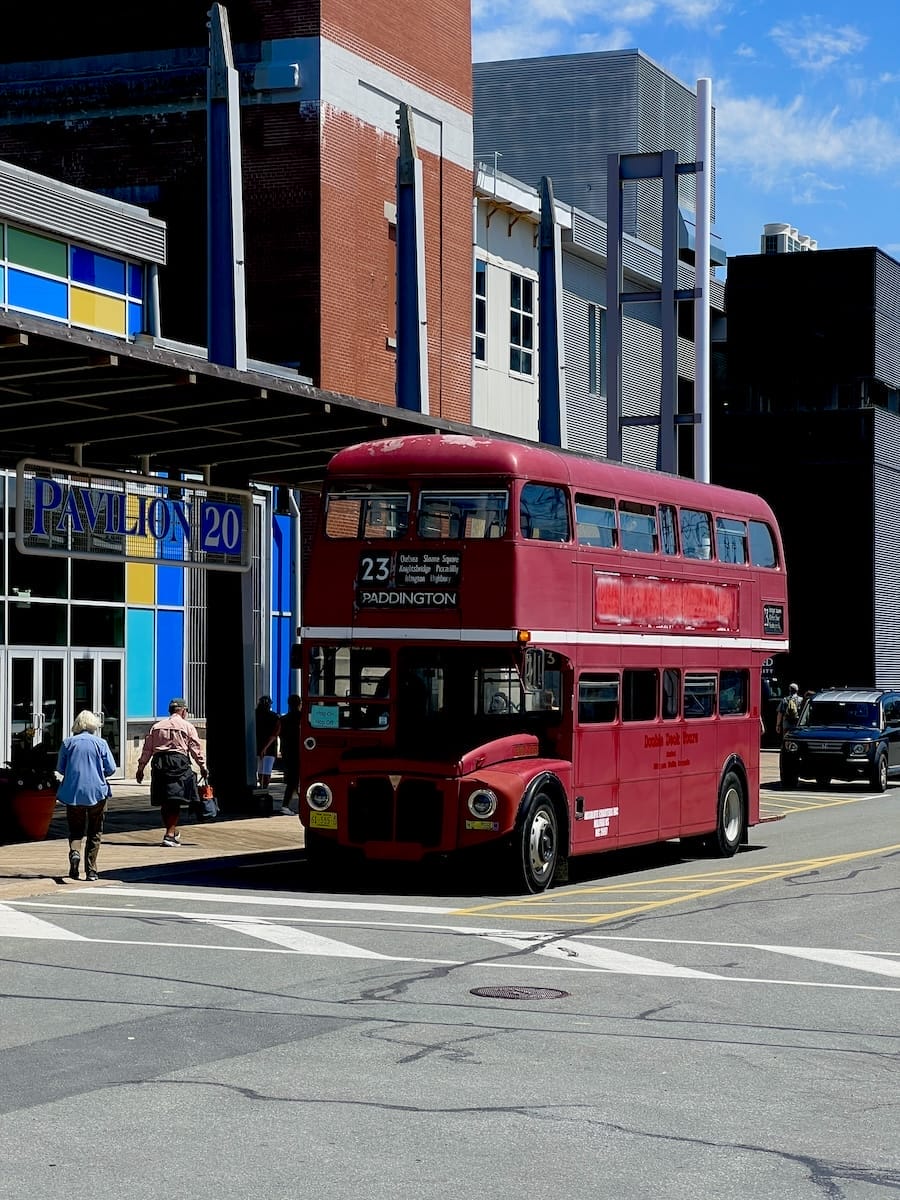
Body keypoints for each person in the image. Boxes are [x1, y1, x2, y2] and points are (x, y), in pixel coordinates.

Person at [136, 698, 208, 847]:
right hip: (178, 762)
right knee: (175, 799)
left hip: (159, 763)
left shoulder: (156, 726)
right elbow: (195, 749)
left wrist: (141, 768)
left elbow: (147, 749)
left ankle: (171, 830)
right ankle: (169, 834)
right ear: (183, 711)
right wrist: (203, 767)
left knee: (165, 799)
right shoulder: (187, 726)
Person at [55, 710, 117, 881]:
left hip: (73, 792)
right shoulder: (101, 743)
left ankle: (75, 852)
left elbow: (60, 768)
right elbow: (111, 768)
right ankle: (91, 870)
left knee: (76, 829)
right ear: (93, 725)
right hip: (97, 792)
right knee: (95, 831)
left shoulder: (68, 743)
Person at [278, 694, 302, 815]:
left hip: (287, 752)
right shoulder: (302, 717)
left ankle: (293, 804)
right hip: (300, 751)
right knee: (295, 781)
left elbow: (279, 734)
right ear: (300, 704)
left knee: (293, 780)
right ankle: (286, 805)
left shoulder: (283, 719)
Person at [255, 695, 281, 791]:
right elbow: (275, 734)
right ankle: (264, 789)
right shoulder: (274, 717)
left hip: (256, 746)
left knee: (260, 770)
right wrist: (265, 748)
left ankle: (261, 788)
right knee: (266, 771)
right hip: (270, 748)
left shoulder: (254, 715)